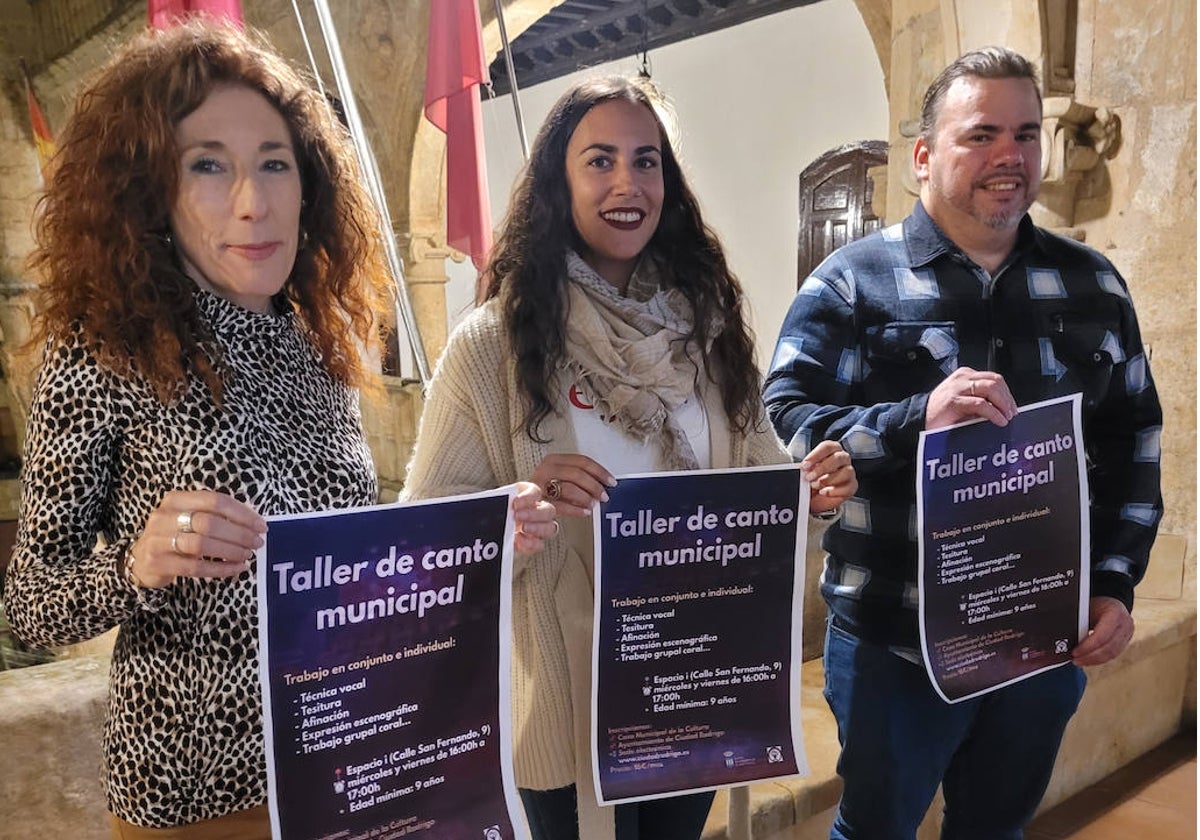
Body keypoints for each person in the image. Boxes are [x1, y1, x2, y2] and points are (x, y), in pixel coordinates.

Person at [1, 21, 555, 838]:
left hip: (342, 759)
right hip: (198, 795)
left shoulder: (317, 342)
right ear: (151, 189)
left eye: (273, 163)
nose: (252, 203)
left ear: (309, 183)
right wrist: (139, 561)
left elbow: (342, 564)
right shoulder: (103, 350)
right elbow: (30, 607)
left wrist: (475, 531)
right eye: (207, 166)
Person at [402, 76, 856, 840]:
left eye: (646, 161)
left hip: (690, 678)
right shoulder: (494, 345)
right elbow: (426, 537)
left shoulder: (704, 331)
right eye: (599, 160)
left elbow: (755, 483)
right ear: (559, 181)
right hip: (567, 702)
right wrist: (516, 507)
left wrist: (808, 497)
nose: (627, 183)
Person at [763, 47, 1162, 840]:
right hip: (893, 641)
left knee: (995, 829)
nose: (1009, 155)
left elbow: (1133, 443)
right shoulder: (850, 282)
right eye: (981, 134)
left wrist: (1114, 582)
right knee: (875, 829)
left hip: (1039, 635)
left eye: (1025, 133)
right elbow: (789, 411)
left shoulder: (1094, 285)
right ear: (922, 156)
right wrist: (915, 418)